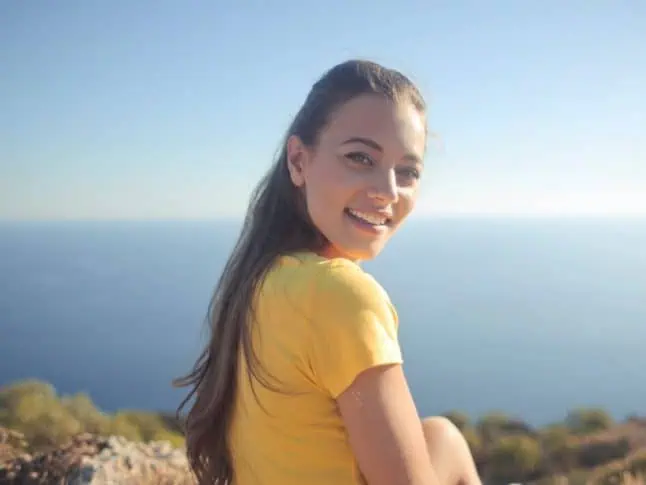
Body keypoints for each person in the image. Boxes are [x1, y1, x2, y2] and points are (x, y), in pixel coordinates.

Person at [174, 59, 482, 485]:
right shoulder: (341, 295)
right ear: (299, 161)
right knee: (446, 440)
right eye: (360, 158)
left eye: (408, 171)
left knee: (442, 437)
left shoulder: (264, 277)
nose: (388, 192)